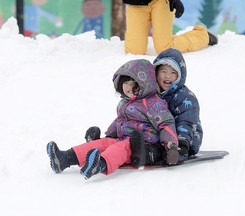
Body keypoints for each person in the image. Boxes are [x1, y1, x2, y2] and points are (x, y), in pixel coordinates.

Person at [47, 59, 179, 179]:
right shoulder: (124, 102)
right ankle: (64, 158)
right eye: (125, 82)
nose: (128, 87)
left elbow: (166, 123)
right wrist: (109, 135)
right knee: (103, 144)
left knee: (121, 148)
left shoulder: (153, 103)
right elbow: (119, 121)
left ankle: (100, 164)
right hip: (122, 137)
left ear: (146, 83)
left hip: (142, 143)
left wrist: (170, 145)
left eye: (133, 82)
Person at [123, 0, 218, 55]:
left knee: (164, 47)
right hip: (136, 3)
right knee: (134, 52)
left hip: (161, 2)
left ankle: (202, 35)